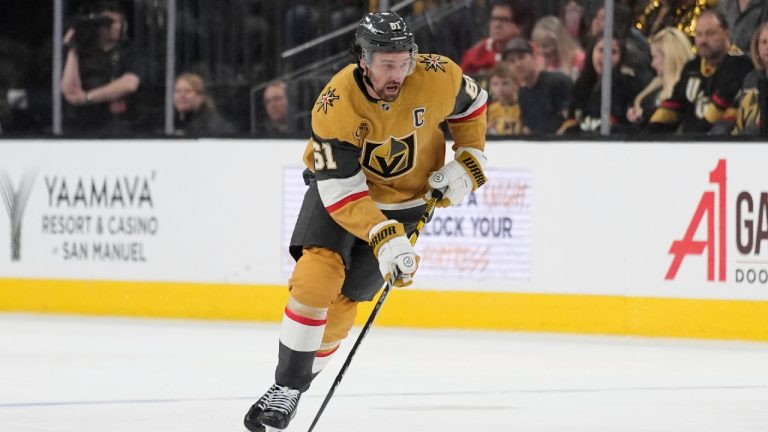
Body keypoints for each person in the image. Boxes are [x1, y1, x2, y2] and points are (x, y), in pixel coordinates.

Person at [243, 11, 489, 432]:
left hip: (407, 206)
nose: (397, 72)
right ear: (364, 60)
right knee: (315, 278)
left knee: (342, 310)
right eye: (386, 63)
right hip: (340, 197)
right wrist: (382, 235)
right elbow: (341, 187)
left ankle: (295, 385)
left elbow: (474, 104)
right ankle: (287, 386)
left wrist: (471, 160)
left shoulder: (437, 74)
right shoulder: (336, 100)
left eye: (404, 60)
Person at [648, 9, 754, 134]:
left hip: (724, 143)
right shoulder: (692, 67)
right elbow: (673, 106)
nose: (703, 40)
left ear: (727, 34)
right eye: (699, 34)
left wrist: (694, 140)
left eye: (710, 33)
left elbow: (717, 111)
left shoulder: (740, 64)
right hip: (692, 143)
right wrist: (648, 133)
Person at [60, 0, 142, 135]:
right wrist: (73, 49)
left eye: (118, 22)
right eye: (108, 22)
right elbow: (69, 91)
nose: (114, 26)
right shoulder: (81, 53)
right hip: (81, 126)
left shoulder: (126, 52)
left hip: (116, 125)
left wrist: (87, 98)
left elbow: (129, 84)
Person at [560, 32, 647, 134]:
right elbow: (571, 120)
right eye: (601, 50)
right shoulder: (581, 84)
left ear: (621, 57)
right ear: (592, 51)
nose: (606, 57)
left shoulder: (628, 85)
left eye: (613, 52)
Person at [503, 37, 572, 134]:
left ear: (534, 57)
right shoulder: (522, 94)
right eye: (512, 61)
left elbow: (571, 120)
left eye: (521, 57)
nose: (518, 64)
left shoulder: (558, 81)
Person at [627, 27, 692, 127]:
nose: (652, 64)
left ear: (669, 57)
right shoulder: (652, 90)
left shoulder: (687, 93)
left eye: (655, 57)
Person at [460, 0, 534, 76]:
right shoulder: (475, 54)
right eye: (494, 19)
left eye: (504, 20)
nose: (497, 24)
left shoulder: (531, 52)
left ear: (519, 27)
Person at [733, 21, 768, 136]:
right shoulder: (750, 79)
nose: (767, 46)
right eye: (764, 42)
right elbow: (741, 120)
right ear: (757, 48)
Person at [531, 15, 585, 81]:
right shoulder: (539, 62)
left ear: (558, 43)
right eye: (538, 46)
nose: (541, 51)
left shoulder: (578, 59)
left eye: (545, 46)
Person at [487, 63, 523, 135]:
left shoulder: (523, 107)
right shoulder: (492, 108)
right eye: (495, 84)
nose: (500, 89)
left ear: (516, 84)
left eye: (505, 83)